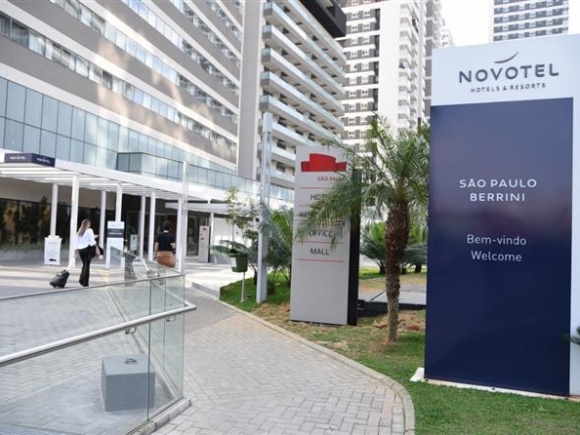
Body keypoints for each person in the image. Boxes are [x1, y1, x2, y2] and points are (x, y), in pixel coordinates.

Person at [76, 218, 98, 287]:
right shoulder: (89, 230)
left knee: (85, 265)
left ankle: (81, 280)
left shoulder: (80, 231)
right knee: (87, 266)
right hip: (87, 250)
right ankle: (85, 283)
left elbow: (77, 242)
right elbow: (92, 241)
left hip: (81, 251)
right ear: (88, 224)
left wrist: (75, 251)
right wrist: (97, 248)